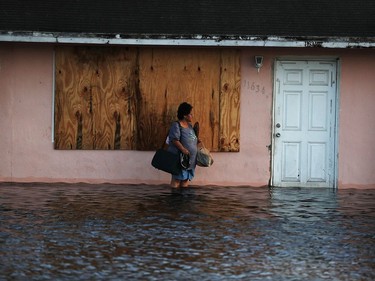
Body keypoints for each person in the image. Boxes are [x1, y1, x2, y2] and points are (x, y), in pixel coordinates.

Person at [167, 102, 198, 188]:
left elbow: (190, 138)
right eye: (191, 114)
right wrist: (183, 150)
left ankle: (184, 200)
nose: (192, 116)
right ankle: (174, 199)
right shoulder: (176, 125)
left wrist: (196, 141)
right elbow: (174, 139)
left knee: (185, 180)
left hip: (190, 160)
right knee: (176, 180)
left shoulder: (190, 126)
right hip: (180, 159)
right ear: (185, 115)